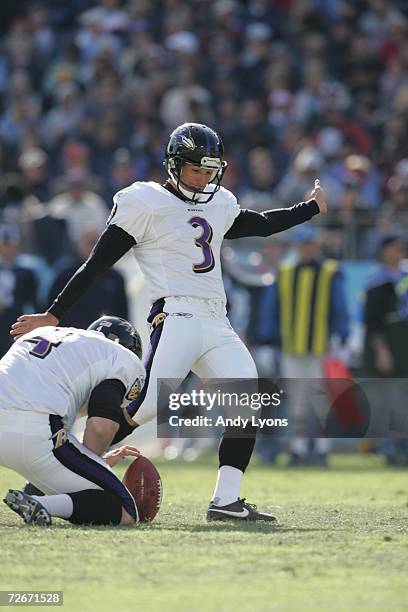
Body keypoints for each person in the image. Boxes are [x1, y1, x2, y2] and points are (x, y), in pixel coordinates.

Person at [11, 123, 327, 522]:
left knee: (246, 400)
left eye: (209, 170)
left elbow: (262, 224)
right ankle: (50, 480)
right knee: (138, 409)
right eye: (195, 169)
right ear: (174, 164)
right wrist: (54, 313)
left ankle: (226, 501)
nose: (203, 177)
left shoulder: (219, 201)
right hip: (176, 315)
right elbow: (96, 264)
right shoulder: (145, 201)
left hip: (217, 320)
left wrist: (310, 208)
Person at [1, 316, 145, 526]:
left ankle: (37, 491)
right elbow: (101, 427)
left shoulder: (46, 334)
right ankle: (42, 504)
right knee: (126, 510)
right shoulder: (121, 358)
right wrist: (95, 462)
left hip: (24, 421)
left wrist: (90, 462)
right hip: (33, 430)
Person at [255, 225, 350, 466]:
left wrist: (342, 336)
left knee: (320, 400)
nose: (307, 249)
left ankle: (321, 449)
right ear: (297, 247)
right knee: (296, 400)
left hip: (320, 348)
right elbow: (271, 309)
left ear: (316, 246)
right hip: (291, 349)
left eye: (310, 244)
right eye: (303, 245)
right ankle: (298, 449)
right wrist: (267, 340)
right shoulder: (285, 272)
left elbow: (339, 306)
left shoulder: (330, 272)